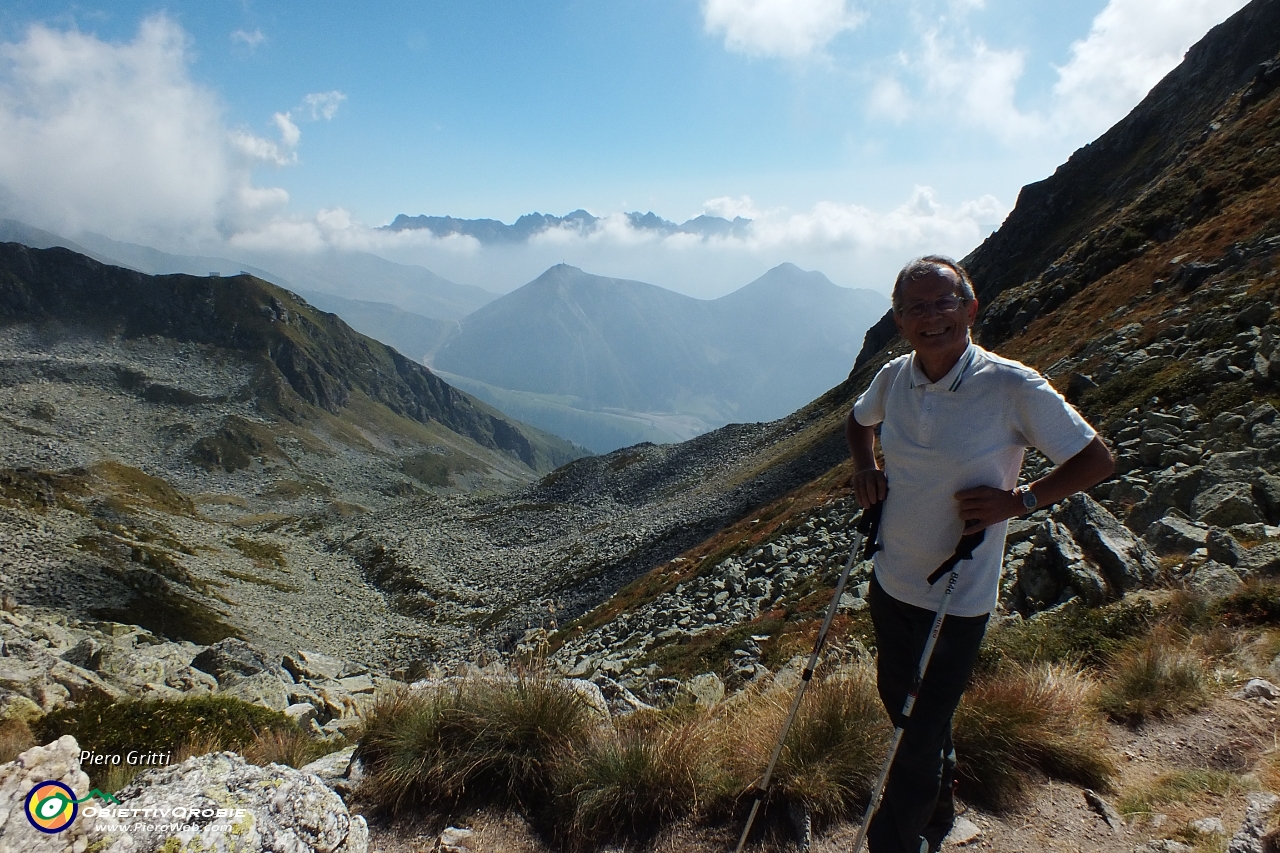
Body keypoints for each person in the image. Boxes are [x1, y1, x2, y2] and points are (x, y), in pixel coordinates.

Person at [845, 255, 1114, 853]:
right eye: (915, 306)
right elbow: (858, 422)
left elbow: (1097, 457)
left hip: (959, 595)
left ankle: (893, 840)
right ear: (898, 319)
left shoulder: (1012, 386)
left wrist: (1021, 501)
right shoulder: (893, 378)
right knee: (906, 710)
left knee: (914, 734)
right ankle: (940, 808)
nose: (931, 317)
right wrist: (866, 467)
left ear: (970, 309)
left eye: (944, 303)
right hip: (893, 581)